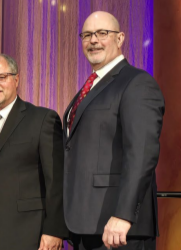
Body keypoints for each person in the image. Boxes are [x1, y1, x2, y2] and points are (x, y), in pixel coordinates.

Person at [63, 11, 164, 250]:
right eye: (87, 35)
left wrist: (124, 215)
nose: (93, 40)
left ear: (120, 39)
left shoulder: (137, 83)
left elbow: (141, 153)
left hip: (118, 229)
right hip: (87, 224)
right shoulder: (91, 85)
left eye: (102, 33)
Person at [0, 53, 68, 250]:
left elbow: (56, 181)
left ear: (16, 79)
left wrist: (54, 229)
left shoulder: (42, 119)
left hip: (28, 234)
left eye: (2, 77)